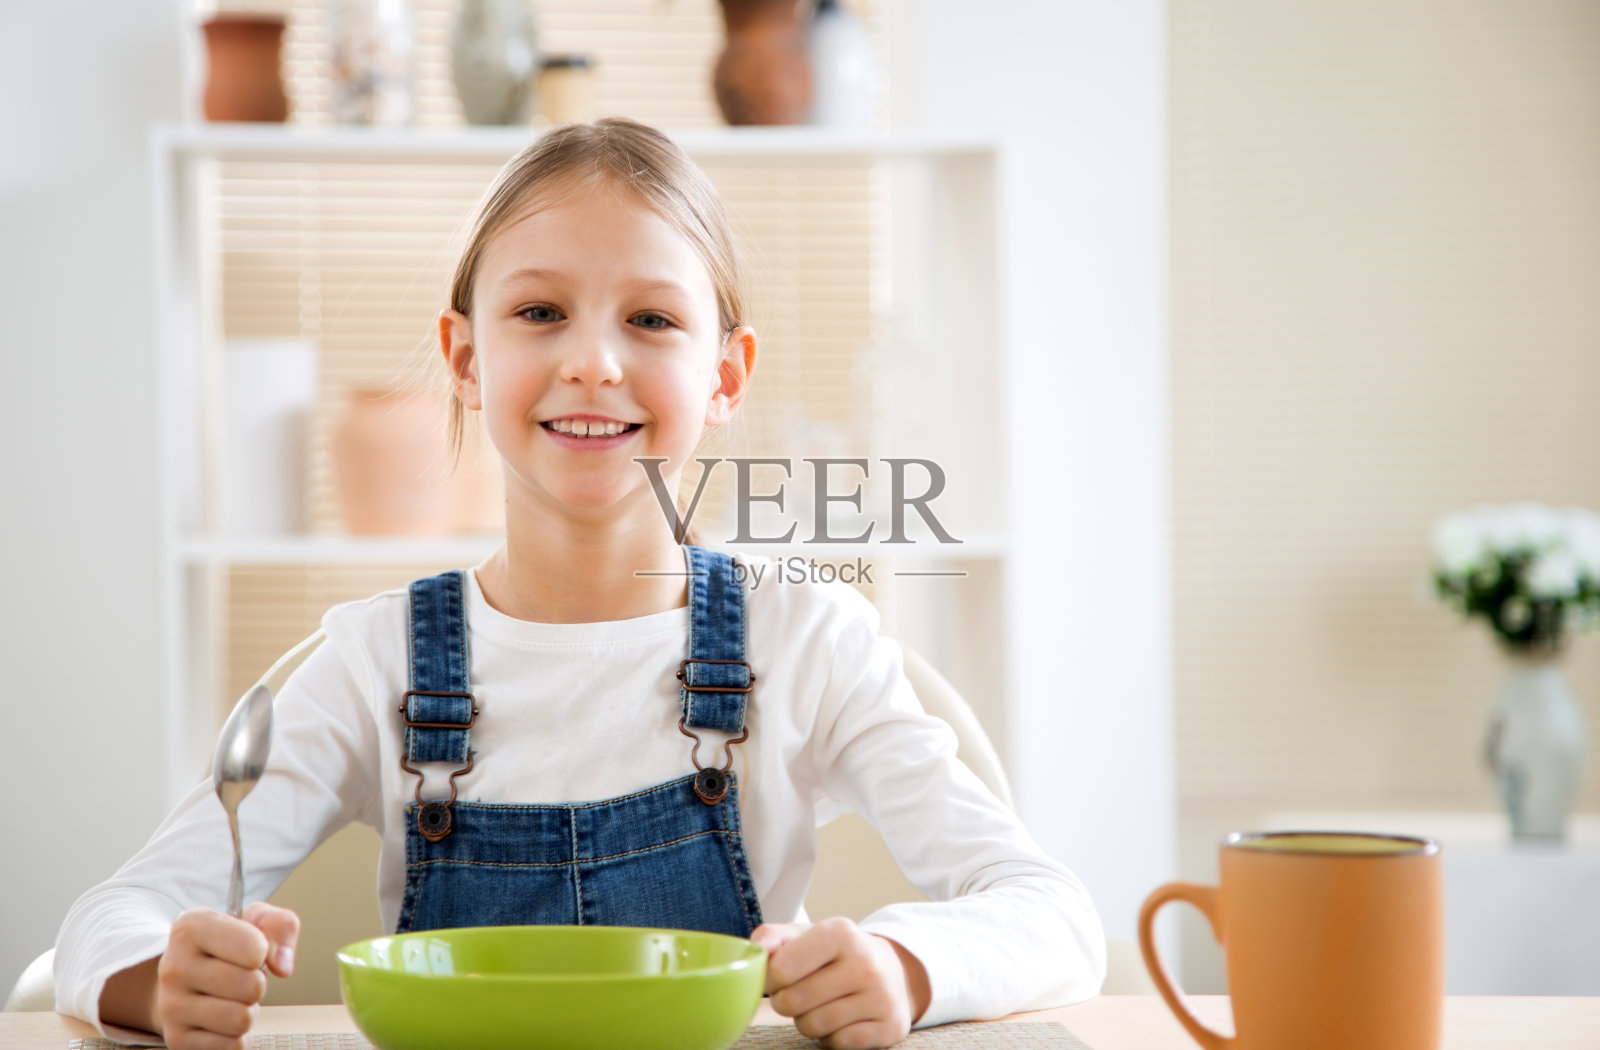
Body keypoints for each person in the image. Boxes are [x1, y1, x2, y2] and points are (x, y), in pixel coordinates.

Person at [55, 117, 1106, 1050]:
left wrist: (905, 968)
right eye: (541, 312)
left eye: (650, 320)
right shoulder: (371, 665)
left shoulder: (810, 642)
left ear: (726, 375)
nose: (594, 362)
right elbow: (116, 913)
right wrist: (160, 981)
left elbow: (1052, 916)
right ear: (463, 358)